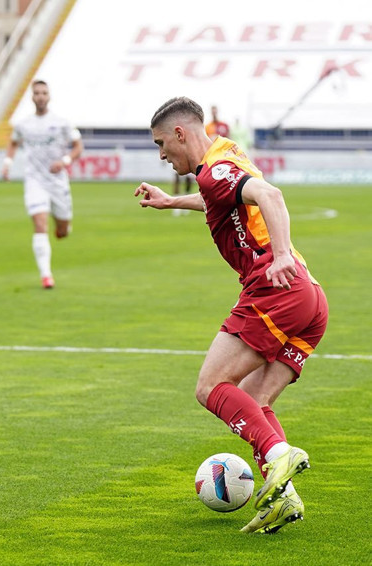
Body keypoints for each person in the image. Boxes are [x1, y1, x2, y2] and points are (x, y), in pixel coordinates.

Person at [134, 97, 328, 535]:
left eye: (162, 143)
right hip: (310, 298)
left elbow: (269, 195)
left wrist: (280, 255)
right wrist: (171, 202)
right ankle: (283, 498)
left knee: (210, 386)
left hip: (275, 285)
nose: (161, 154)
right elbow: (221, 199)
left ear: (181, 133)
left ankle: (279, 456)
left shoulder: (215, 168)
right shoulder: (224, 155)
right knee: (254, 401)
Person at [2, 79, 83, 289]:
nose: (40, 96)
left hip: (57, 182)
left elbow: (78, 146)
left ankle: (63, 225)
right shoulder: (23, 124)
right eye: (37, 93)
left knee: (62, 231)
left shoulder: (62, 122)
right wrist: (7, 163)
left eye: (44, 93)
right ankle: (46, 275)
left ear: (49, 96)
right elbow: (13, 142)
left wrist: (64, 161)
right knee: (40, 224)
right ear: (31, 96)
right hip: (34, 180)